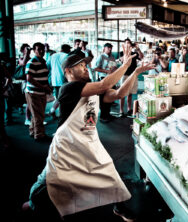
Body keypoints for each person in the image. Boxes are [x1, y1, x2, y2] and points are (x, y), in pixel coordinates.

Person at [22, 44, 154, 222]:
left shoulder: (92, 90)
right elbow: (104, 83)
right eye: (81, 66)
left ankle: (118, 206)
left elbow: (119, 93)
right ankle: (32, 203)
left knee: (108, 171)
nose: (86, 68)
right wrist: (124, 65)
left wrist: (135, 72)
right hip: (66, 146)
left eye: (86, 65)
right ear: (68, 71)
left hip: (88, 141)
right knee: (48, 182)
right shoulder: (68, 88)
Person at [25, 42, 52, 141]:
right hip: (33, 92)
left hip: (41, 92)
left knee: (37, 113)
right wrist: (43, 87)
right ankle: (39, 135)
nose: (41, 51)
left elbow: (44, 77)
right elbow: (29, 78)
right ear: (34, 50)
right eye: (39, 49)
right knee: (38, 115)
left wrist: (47, 87)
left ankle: (33, 131)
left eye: (43, 49)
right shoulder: (32, 62)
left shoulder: (43, 61)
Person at [119, 38, 144, 117]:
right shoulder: (121, 53)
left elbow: (141, 57)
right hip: (125, 75)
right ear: (124, 44)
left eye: (129, 43)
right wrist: (127, 51)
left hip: (133, 75)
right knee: (122, 93)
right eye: (126, 43)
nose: (128, 44)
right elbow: (122, 60)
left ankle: (129, 109)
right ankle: (121, 110)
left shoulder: (134, 53)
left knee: (130, 93)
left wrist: (138, 48)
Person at [93, 43, 117, 122]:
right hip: (103, 79)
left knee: (110, 97)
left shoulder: (112, 57)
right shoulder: (101, 56)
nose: (110, 49)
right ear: (104, 48)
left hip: (111, 79)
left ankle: (108, 114)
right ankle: (102, 116)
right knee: (103, 98)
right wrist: (106, 71)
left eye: (111, 48)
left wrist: (114, 70)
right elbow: (95, 68)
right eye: (108, 48)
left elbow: (113, 68)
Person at [46, 44, 72, 119]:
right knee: (63, 98)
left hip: (54, 80)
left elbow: (47, 67)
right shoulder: (66, 56)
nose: (70, 50)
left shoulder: (53, 56)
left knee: (59, 97)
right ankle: (57, 113)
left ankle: (53, 112)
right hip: (64, 79)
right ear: (66, 49)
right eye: (69, 49)